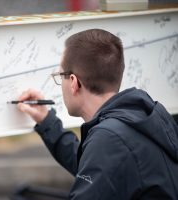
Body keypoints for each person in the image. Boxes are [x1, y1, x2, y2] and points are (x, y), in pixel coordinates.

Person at [16, 29, 178, 199]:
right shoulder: (143, 114)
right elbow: (94, 168)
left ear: (73, 82)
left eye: (60, 76)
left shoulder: (109, 138)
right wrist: (45, 119)